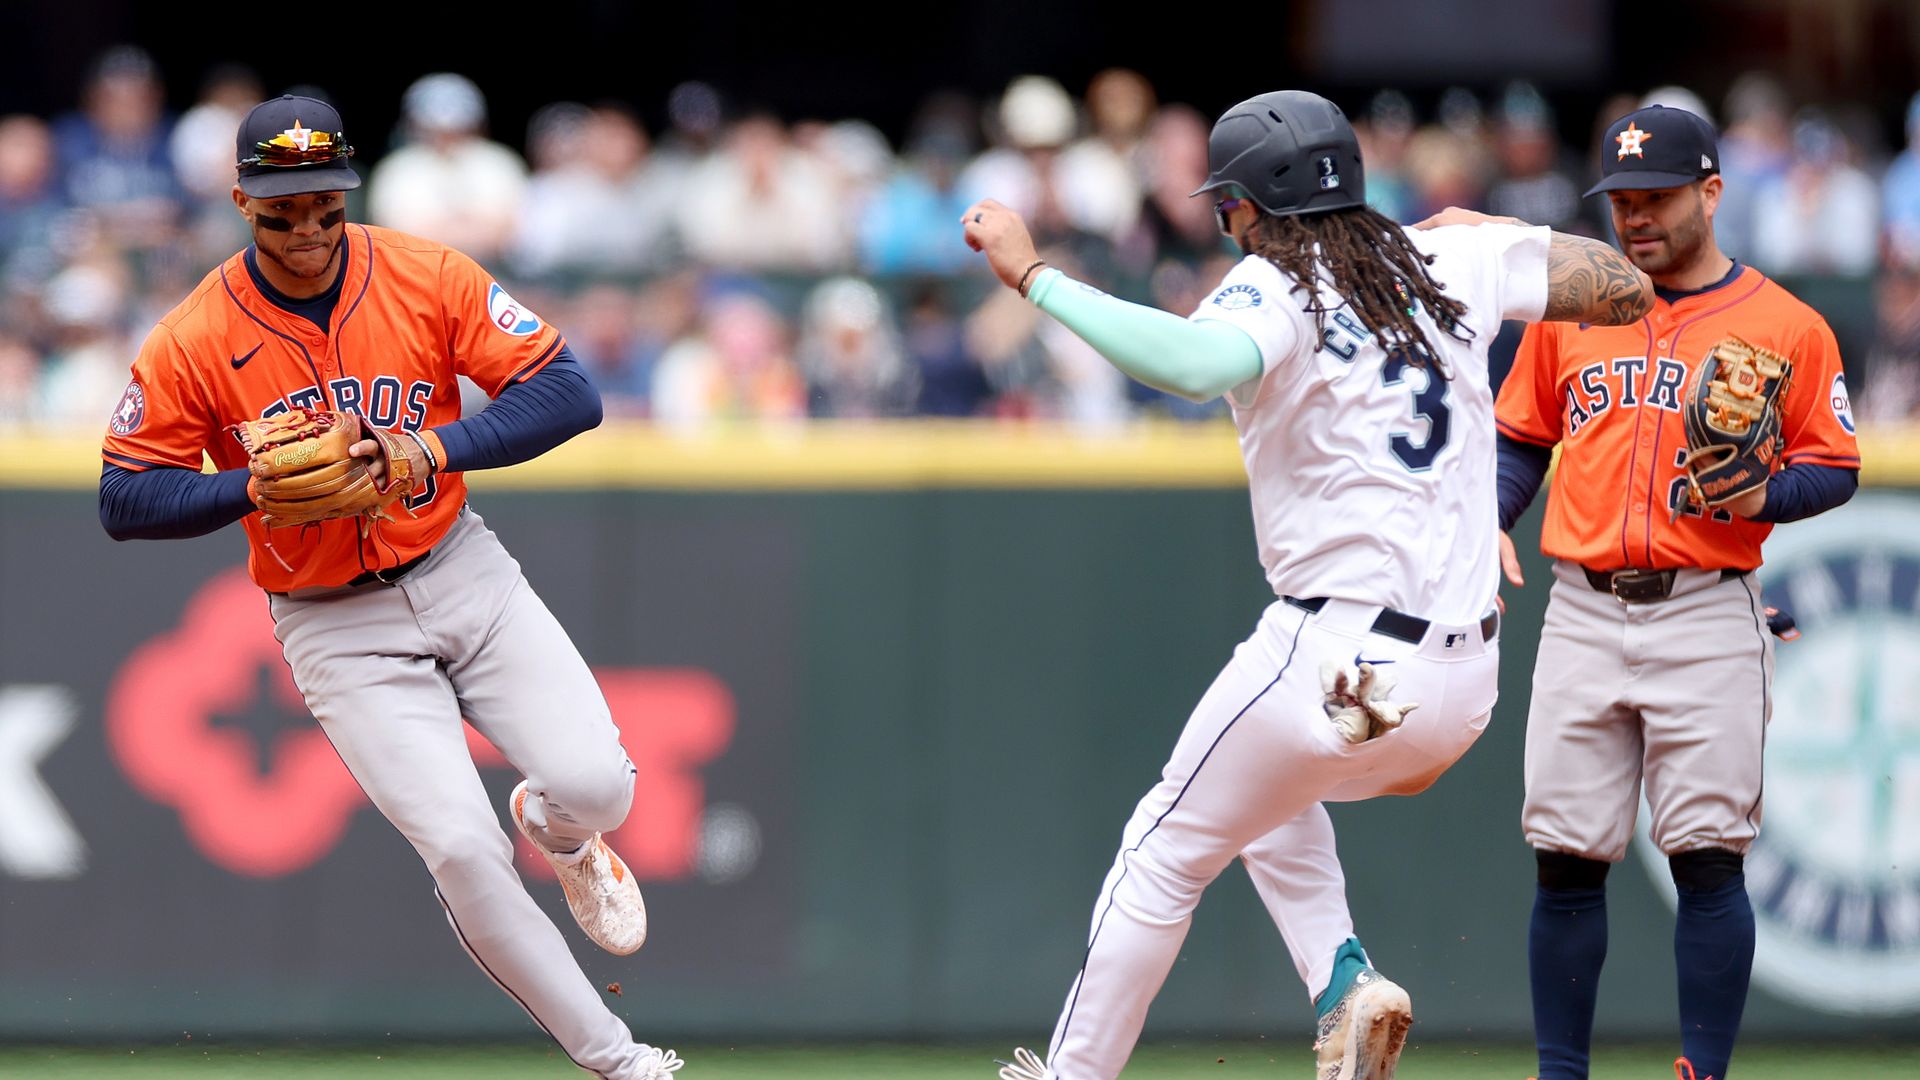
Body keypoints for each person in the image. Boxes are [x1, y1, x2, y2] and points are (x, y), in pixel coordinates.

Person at [962, 89, 1654, 1080]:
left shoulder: (1274, 285)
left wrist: (1034, 276)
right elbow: (1623, 286)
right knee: (1261, 794)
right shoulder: (1446, 256)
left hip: (1347, 667)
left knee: (1164, 845)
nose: (1227, 222)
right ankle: (1342, 983)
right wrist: (1495, 237)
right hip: (1462, 690)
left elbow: (1191, 366)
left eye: (1229, 205)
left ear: (1246, 207)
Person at [96, 94, 682, 1080]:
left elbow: (568, 392)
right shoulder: (196, 334)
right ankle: (620, 1060)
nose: (309, 227)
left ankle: (558, 828)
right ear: (243, 202)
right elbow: (123, 494)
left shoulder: (422, 273)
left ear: (346, 190)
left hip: (459, 565)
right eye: (283, 207)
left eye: (323, 201)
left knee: (598, 788)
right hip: (333, 622)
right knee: (459, 848)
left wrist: (432, 447)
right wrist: (247, 489)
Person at [1493, 104, 1860, 1080]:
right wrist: (1493, 512)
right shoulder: (1572, 307)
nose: (1635, 216)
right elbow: (1524, 432)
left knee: (1707, 857)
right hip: (1580, 602)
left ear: (1710, 192)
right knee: (1566, 861)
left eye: (1655, 196)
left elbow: (1836, 463)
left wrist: (1767, 494)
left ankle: (1702, 1073)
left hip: (1706, 600)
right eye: (1621, 199)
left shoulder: (1788, 325)